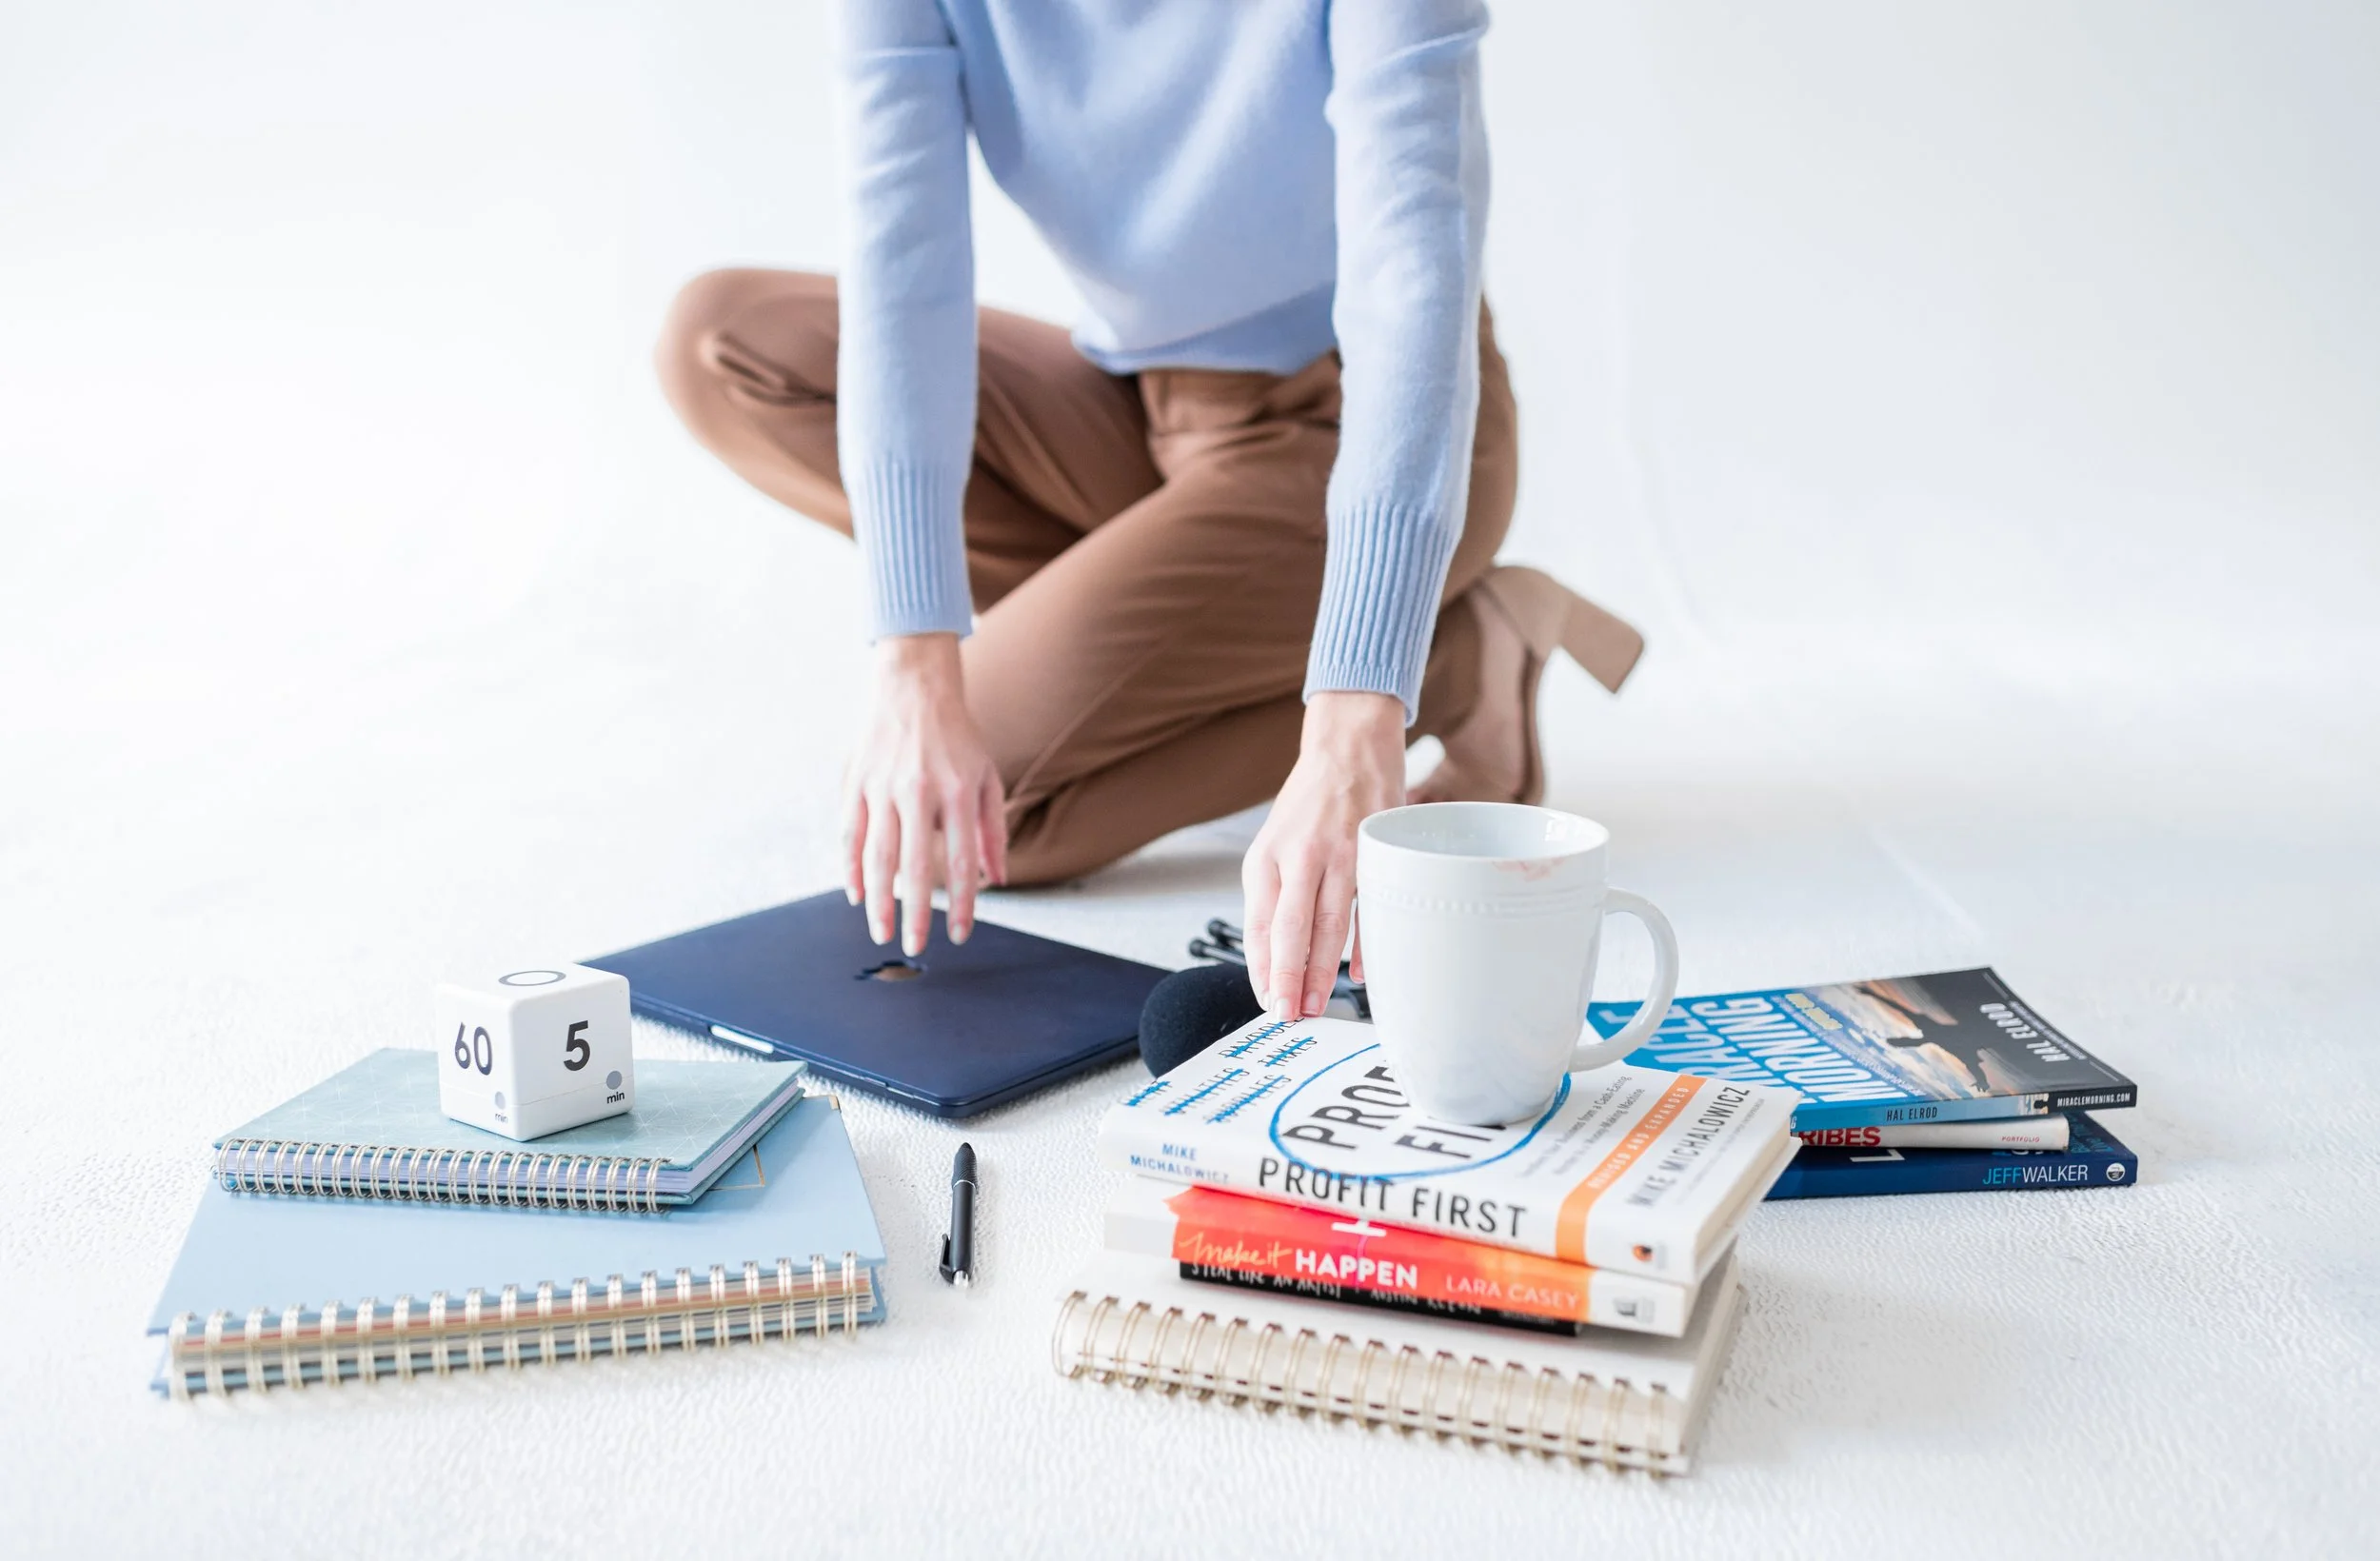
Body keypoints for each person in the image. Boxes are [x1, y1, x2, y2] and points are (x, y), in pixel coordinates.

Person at [655, 0, 1642, 1025]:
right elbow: (904, 260)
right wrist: (915, 660)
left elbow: (1413, 271)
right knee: (723, 342)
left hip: (1365, 420)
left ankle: (1457, 655)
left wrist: (1358, 706)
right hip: (1143, 409)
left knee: (984, 819)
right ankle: (1252, 627)